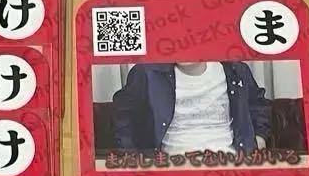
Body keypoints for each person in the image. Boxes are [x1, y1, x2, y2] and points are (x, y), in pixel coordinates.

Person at [111, 61, 271, 154]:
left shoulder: (235, 70)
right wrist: (132, 158)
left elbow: (258, 104)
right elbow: (123, 116)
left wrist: (260, 137)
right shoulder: (147, 73)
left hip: (230, 161)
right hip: (173, 166)